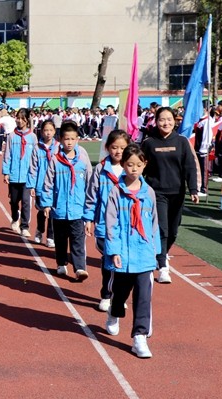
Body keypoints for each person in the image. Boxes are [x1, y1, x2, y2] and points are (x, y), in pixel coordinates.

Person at [104, 144, 161, 358]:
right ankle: (114, 311)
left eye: (138, 164)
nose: (134, 169)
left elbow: (154, 224)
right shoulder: (116, 193)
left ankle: (139, 336)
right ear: (123, 165)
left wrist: (156, 253)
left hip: (144, 254)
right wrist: (114, 251)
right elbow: (112, 224)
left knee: (143, 295)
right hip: (124, 255)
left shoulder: (149, 193)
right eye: (129, 164)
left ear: (145, 165)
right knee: (120, 293)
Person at [142, 106, 199, 284]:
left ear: (175, 121)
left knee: (173, 231)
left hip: (177, 192)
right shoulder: (149, 143)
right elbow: (140, 166)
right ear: (155, 121)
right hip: (157, 192)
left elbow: (189, 166)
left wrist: (193, 189)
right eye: (161, 119)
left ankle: (163, 253)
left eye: (169, 119)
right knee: (162, 230)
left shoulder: (182, 141)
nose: (165, 123)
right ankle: (163, 267)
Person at [84, 130, 130, 311]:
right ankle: (106, 294)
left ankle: (119, 295)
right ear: (107, 148)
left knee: (124, 264)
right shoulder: (100, 170)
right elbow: (91, 196)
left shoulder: (132, 169)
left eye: (123, 148)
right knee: (110, 261)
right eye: (114, 147)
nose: (118, 151)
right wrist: (88, 218)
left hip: (126, 226)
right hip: (105, 226)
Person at [41, 120, 92, 281]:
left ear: (77, 139)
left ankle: (80, 268)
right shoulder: (55, 160)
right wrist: (47, 203)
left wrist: (89, 208)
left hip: (77, 210)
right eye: (66, 139)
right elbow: (48, 183)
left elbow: (90, 183)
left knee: (78, 240)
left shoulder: (83, 160)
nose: (69, 142)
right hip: (59, 209)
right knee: (61, 239)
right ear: (61, 140)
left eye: (72, 139)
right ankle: (61, 263)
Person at [3, 108, 37, 237]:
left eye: (22, 118)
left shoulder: (32, 137)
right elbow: (8, 154)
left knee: (26, 201)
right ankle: (15, 217)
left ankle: (24, 226)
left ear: (27, 120)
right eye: (17, 118)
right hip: (14, 174)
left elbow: (34, 157)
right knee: (14, 200)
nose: (19, 121)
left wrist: (34, 173)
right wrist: (6, 172)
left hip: (27, 175)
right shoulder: (12, 136)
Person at [28, 119, 59, 247]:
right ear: (41, 132)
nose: (48, 133)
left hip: (54, 186)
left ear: (54, 131)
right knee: (41, 211)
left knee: (52, 212)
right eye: (46, 130)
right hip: (41, 185)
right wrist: (32, 185)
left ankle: (51, 236)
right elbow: (33, 168)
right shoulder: (37, 148)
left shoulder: (58, 147)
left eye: (51, 130)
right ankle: (40, 230)